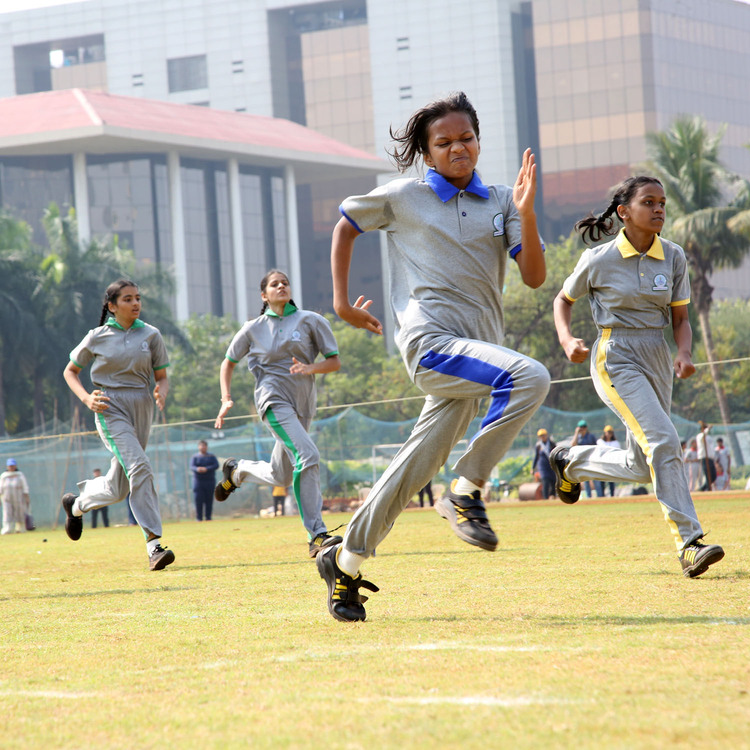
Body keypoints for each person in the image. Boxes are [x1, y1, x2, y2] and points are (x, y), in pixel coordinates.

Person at [315, 91, 550, 622]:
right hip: (431, 346)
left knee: (414, 465)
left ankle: (344, 564)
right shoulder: (403, 197)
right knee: (530, 376)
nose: (457, 148)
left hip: (476, 356)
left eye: (466, 138)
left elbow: (534, 276)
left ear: (478, 141)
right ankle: (465, 490)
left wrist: (528, 213)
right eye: (444, 143)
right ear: (427, 153)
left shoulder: (502, 202)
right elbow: (346, 224)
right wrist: (338, 303)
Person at [548, 175, 725, 578]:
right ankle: (689, 543)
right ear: (624, 211)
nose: (659, 209)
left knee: (642, 464)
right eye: (649, 202)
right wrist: (566, 339)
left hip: (657, 355)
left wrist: (683, 352)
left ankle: (570, 462)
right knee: (664, 440)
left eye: (663, 202)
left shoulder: (674, 257)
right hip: (615, 355)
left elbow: (680, 319)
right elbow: (563, 299)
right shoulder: (599, 259)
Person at [213, 269, 343, 559]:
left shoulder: (311, 321)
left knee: (281, 475)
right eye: (274, 284)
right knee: (308, 455)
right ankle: (317, 534)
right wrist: (226, 399)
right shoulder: (252, 328)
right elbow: (228, 362)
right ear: (264, 295)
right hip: (273, 402)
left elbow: (334, 362)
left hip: (303, 405)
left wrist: (311, 368)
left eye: (285, 283)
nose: (281, 286)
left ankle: (238, 471)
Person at [60, 279, 174, 571]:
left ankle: (76, 505)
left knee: (118, 488)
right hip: (109, 406)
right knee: (140, 466)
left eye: (137, 298)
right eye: (127, 299)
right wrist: (87, 399)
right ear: (112, 306)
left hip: (142, 404)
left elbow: (161, 375)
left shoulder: (152, 335)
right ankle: (154, 545)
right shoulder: (96, 336)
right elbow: (70, 371)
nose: (135, 303)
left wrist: (162, 389)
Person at [0, 458, 30, 534]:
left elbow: (25, 487)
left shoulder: (20, 475)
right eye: (10, 466)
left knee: (19, 513)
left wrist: (27, 497)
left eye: (13, 465)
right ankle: (7, 529)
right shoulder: (4, 476)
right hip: (6, 498)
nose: (11, 467)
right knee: (7, 513)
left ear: (15, 466)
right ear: (7, 466)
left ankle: (20, 528)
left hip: (18, 498)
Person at [189, 440, 219, 522]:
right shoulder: (195, 457)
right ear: (199, 447)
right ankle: (199, 518)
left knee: (209, 499)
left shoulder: (211, 456)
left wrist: (207, 469)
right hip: (198, 481)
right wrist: (198, 469)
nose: (203, 447)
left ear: (206, 447)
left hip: (209, 481)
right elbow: (192, 467)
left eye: (204, 446)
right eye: (201, 446)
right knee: (198, 499)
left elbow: (216, 465)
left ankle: (208, 517)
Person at [570, 420, 598, 498]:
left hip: (592, 460)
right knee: (586, 480)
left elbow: (597, 447)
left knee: (596, 479)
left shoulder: (591, 436)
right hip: (583, 462)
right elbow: (573, 444)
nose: (583, 429)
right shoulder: (578, 438)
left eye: (584, 427)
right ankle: (589, 497)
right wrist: (576, 433)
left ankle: (600, 497)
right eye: (581, 427)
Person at [594, 425, 620, 497]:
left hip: (611, 464)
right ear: (605, 433)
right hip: (602, 465)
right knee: (601, 482)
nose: (609, 434)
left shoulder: (616, 443)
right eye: (608, 432)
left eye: (610, 432)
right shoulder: (600, 441)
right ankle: (602, 497)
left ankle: (612, 496)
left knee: (611, 482)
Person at [532, 428, 557, 501]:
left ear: (547, 435)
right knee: (545, 481)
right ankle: (545, 498)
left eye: (544, 435)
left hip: (551, 465)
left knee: (553, 482)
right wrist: (533, 468)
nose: (543, 437)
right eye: (541, 436)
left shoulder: (552, 444)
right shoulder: (538, 446)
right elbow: (536, 457)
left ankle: (552, 496)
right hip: (543, 467)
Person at [695, 421, 716, 492]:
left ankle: (702, 489)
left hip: (710, 458)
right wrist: (707, 429)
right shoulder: (699, 436)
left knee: (713, 476)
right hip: (704, 458)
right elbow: (703, 436)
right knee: (708, 475)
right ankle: (705, 489)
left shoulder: (708, 437)